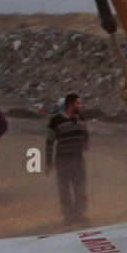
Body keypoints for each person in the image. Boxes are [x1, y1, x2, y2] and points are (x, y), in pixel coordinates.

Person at [46, 92, 89, 225]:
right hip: (63, 161)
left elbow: (86, 133)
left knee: (80, 188)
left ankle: (79, 215)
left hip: (78, 159)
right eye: (78, 103)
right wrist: (48, 162)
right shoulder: (56, 121)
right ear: (70, 105)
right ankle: (69, 216)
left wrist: (85, 144)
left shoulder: (81, 118)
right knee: (64, 190)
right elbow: (49, 142)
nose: (81, 105)